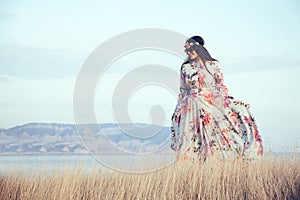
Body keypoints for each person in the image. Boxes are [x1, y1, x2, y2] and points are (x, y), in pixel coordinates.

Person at [171, 36, 263, 162]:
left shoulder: (214, 65)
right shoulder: (185, 67)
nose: (188, 52)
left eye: (190, 49)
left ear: (199, 48)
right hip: (190, 107)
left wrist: (231, 100)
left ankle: (217, 166)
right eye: (186, 50)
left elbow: (220, 85)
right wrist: (178, 109)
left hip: (210, 104)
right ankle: (187, 173)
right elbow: (183, 90)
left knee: (213, 138)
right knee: (188, 141)